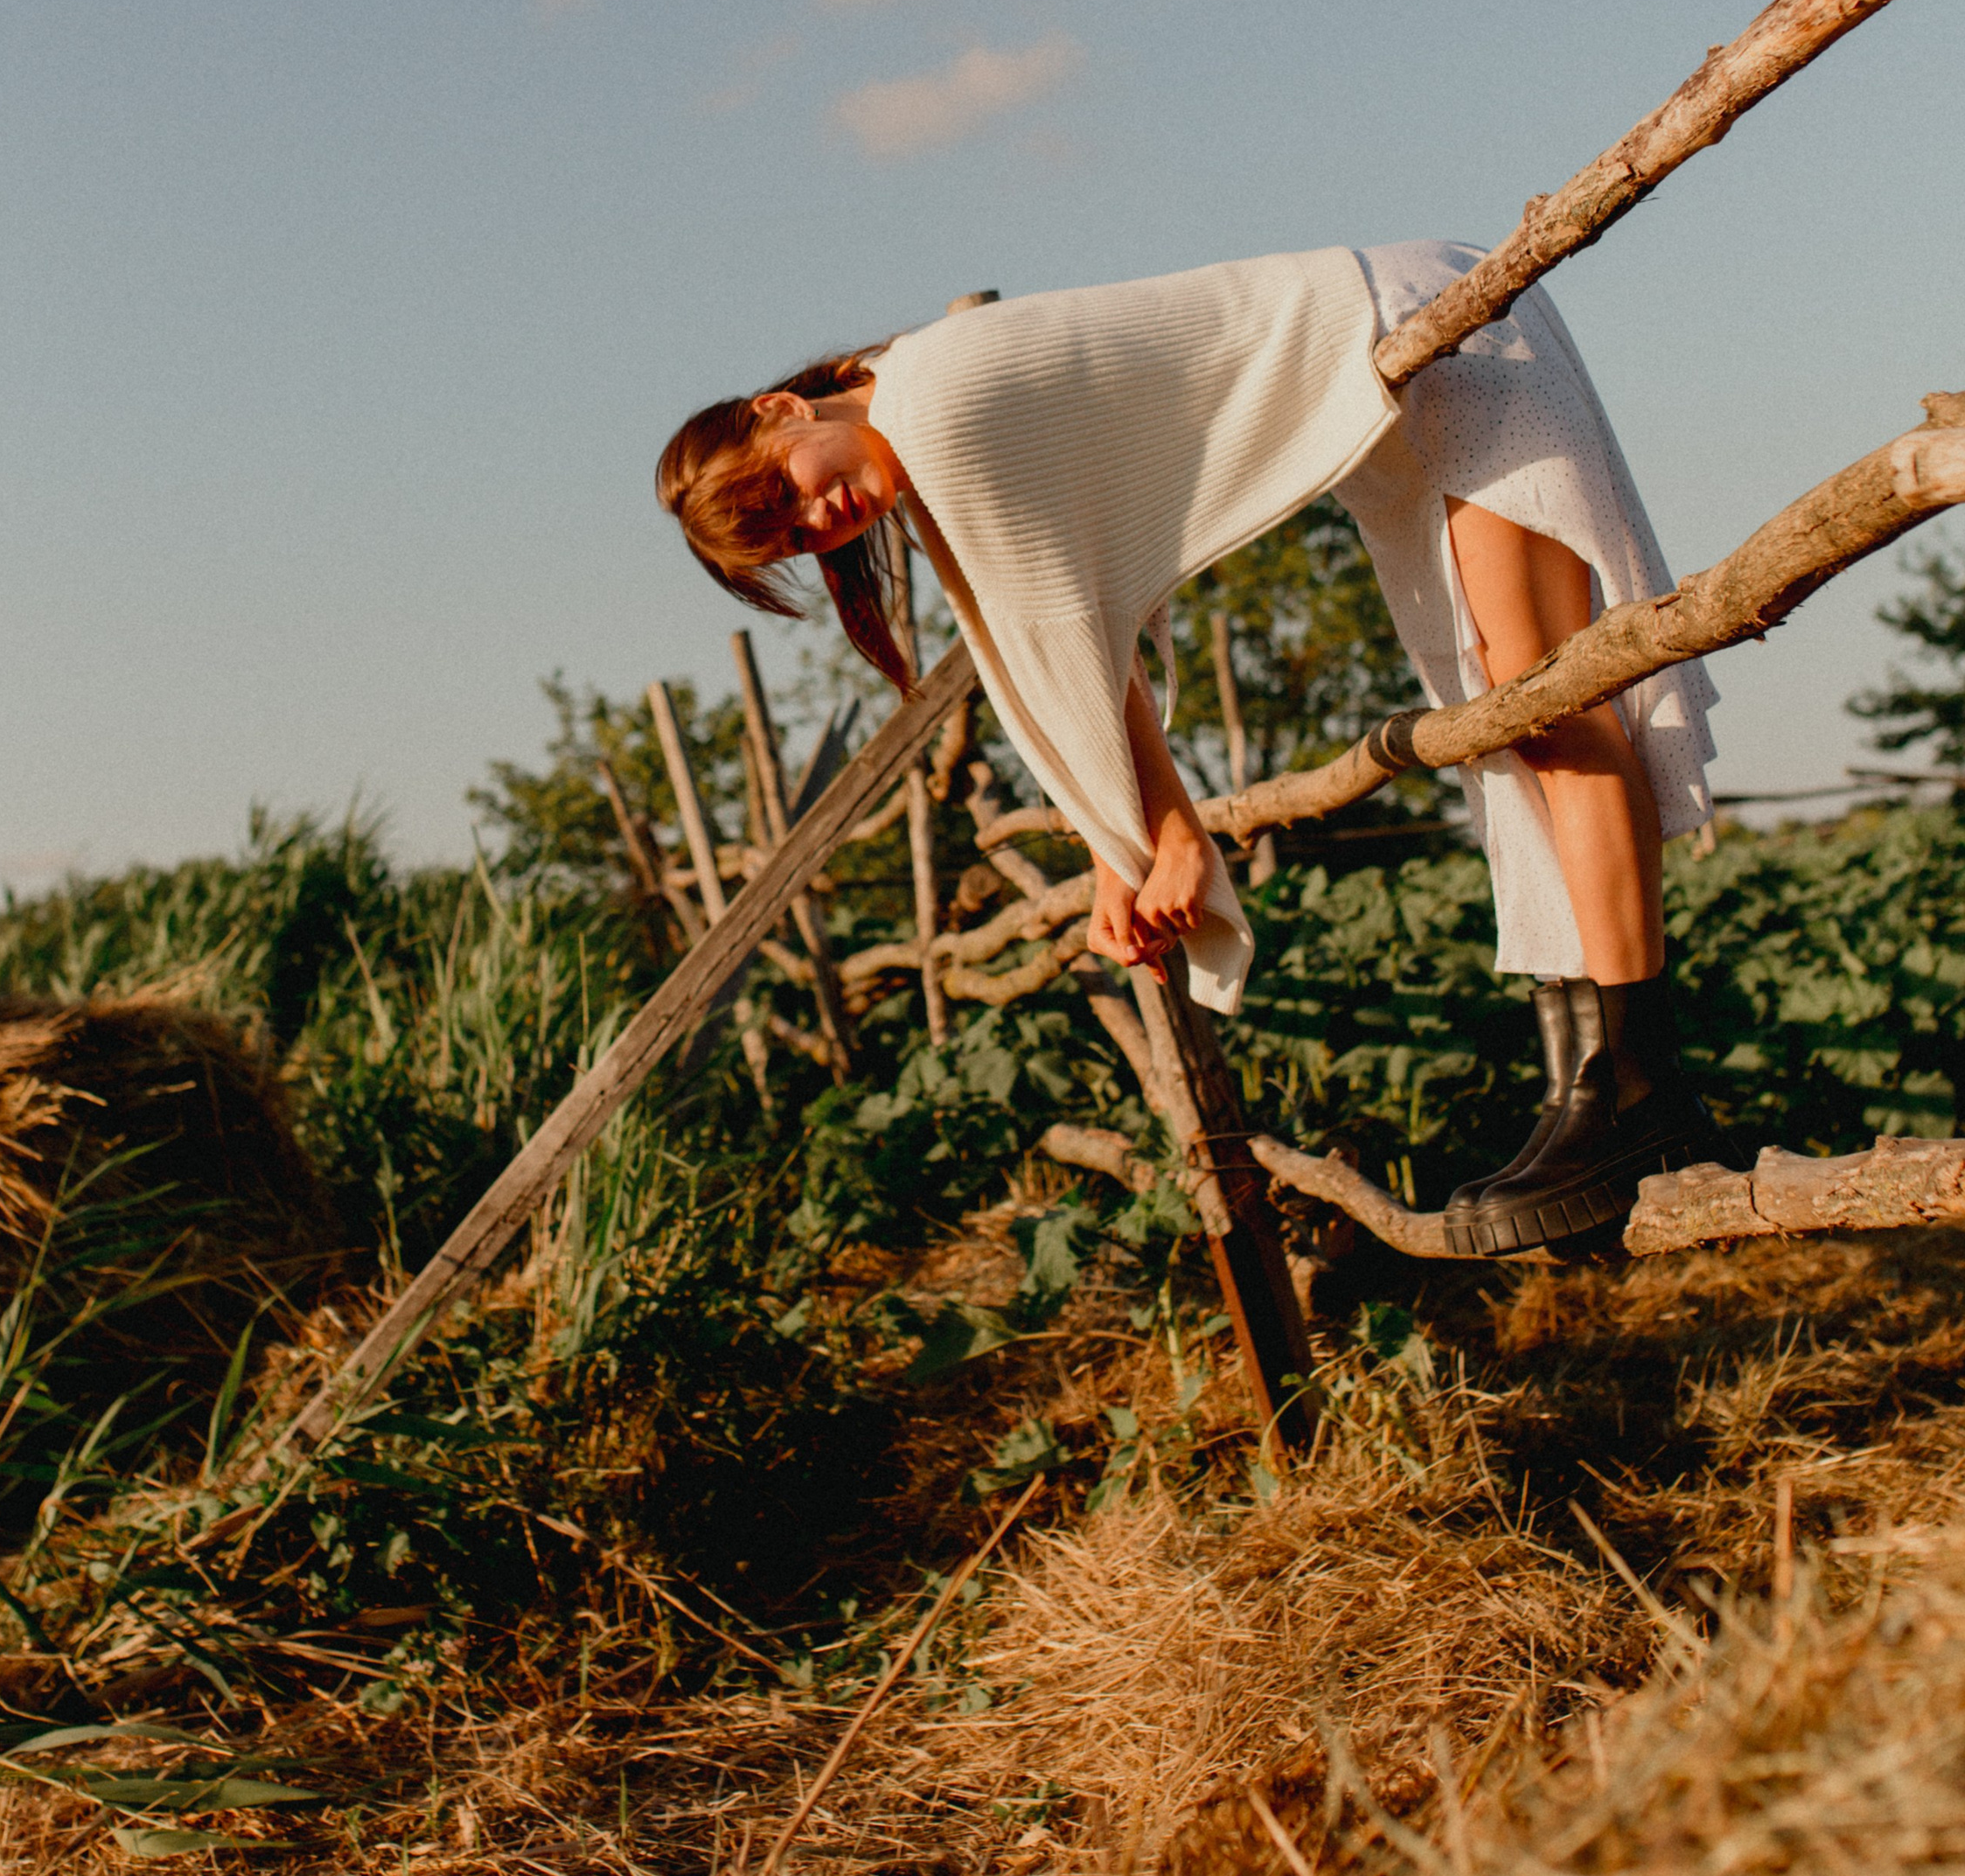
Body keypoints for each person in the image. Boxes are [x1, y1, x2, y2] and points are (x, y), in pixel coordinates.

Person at [658, 239, 1750, 1255]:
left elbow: (1066, 645)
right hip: (1397, 362)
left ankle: (1640, 1092)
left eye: (786, 495)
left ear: (779, 407)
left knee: (1539, 701)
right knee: (1510, 711)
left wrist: (1160, 844)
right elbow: (1070, 646)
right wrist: (1120, 853)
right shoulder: (914, 429)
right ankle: (1588, 1091)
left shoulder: (935, 409)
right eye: (796, 541)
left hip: (1437, 329)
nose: (823, 522)